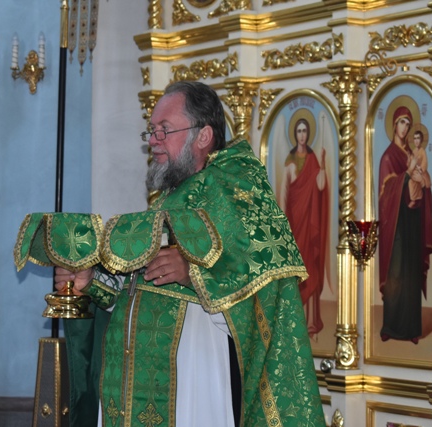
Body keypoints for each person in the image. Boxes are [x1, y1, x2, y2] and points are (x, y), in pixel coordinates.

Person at [55, 81, 325, 427]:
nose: (153, 141)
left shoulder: (235, 195)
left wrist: (193, 273)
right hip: (136, 386)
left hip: (196, 382)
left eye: (164, 130)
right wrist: (91, 279)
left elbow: (265, 298)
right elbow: (136, 291)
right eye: (151, 131)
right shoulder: (167, 202)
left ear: (203, 136)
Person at [378, 106, 432, 344]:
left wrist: (423, 181)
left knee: (410, 271)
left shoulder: (413, 153)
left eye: (408, 124)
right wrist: (407, 176)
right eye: (402, 122)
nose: (405, 127)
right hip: (395, 225)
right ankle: (390, 326)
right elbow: (384, 195)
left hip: (412, 221)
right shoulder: (388, 157)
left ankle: (411, 329)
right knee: (396, 271)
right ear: (394, 124)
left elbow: (422, 182)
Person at [279, 115, 329, 338]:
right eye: (298, 131)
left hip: (309, 225)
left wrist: (323, 165)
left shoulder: (313, 159)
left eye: (304, 131)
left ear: (308, 134)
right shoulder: (289, 161)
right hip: (294, 227)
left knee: (310, 269)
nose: (302, 135)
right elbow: (283, 195)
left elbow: (320, 186)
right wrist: (282, 227)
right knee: (294, 274)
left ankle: (310, 322)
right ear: (294, 134)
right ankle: (293, 323)